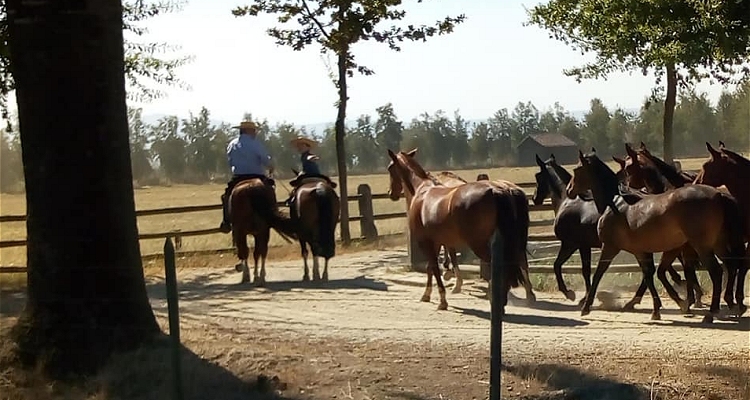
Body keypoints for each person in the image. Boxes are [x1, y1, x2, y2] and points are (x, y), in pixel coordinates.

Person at [218, 120, 276, 233]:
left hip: (238, 177)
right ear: (248, 130)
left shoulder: (232, 144)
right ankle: (273, 218)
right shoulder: (255, 144)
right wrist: (270, 167)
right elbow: (265, 159)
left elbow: (230, 161)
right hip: (257, 176)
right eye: (254, 130)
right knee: (270, 192)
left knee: (227, 196)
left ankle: (226, 221)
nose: (255, 132)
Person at [285, 136, 336, 210]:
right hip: (315, 174)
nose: (299, 147)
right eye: (299, 145)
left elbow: (309, 158)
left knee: (296, 184)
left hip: (309, 174)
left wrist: (312, 158)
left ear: (308, 147)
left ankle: (292, 200)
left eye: (302, 145)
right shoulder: (303, 156)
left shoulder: (307, 155)